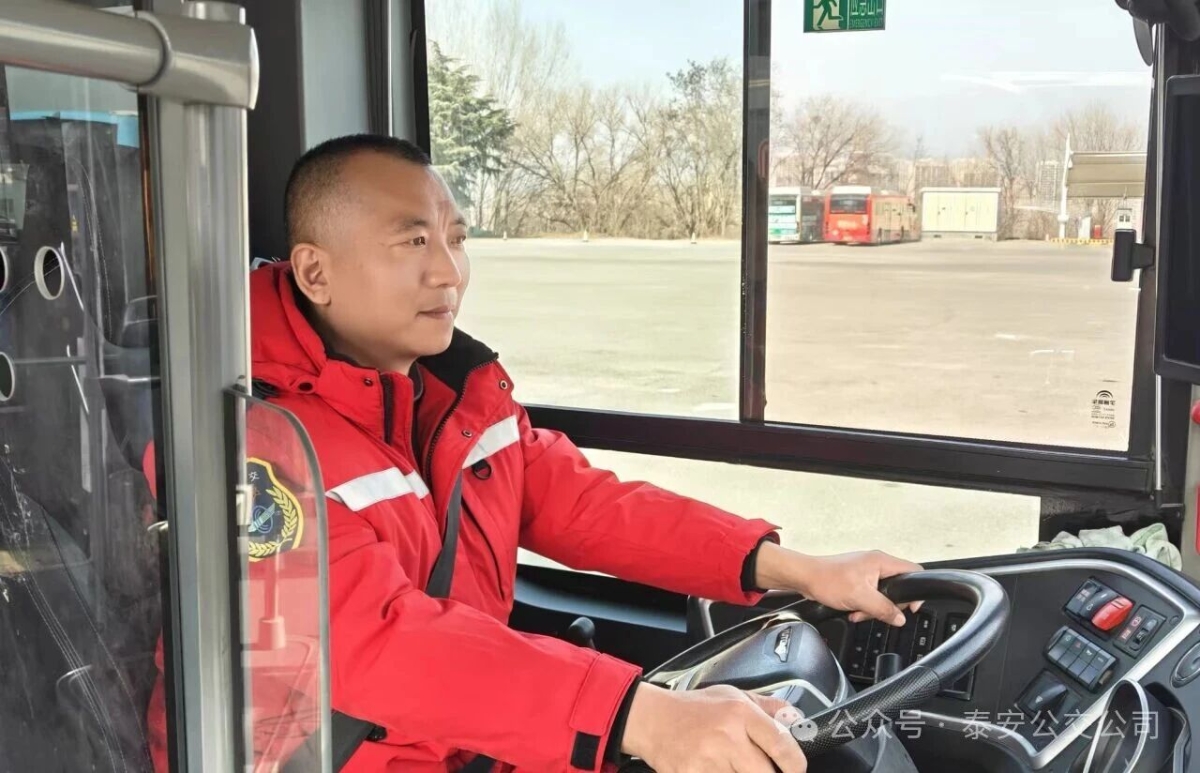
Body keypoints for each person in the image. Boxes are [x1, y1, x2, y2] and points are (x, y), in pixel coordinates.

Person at [145, 134, 922, 773]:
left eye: (456, 239)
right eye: (413, 241)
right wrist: (641, 716)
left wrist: (799, 569)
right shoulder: (249, 439)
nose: (450, 271)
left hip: (465, 737)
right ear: (316, 271)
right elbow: (376, 642)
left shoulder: (452, 397)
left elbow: (588, 505)